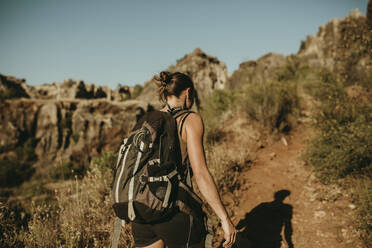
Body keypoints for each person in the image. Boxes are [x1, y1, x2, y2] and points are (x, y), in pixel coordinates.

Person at [131, 71, 237, 248]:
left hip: (142, 210)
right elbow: (201, 174)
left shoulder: (146, 121)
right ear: (188, 93)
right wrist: (224, 218)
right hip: (173, 211)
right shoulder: (190, 120)